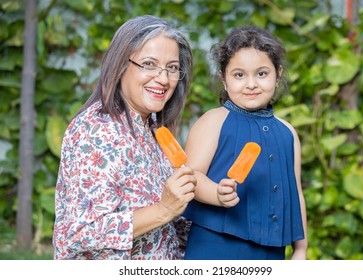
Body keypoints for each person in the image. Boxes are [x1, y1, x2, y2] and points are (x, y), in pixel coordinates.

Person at [53, 15, 196, 260]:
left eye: (172, 68)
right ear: (120, 65)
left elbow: (170, 226)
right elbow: (78, 233)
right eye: (149, 64)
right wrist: (163, 209)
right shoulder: (96, 131)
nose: (163, 79)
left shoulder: (152, 128)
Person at [183, 26, 307, 260]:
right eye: (239, 75)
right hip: (216, 245)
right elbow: (191, 176)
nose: (251, 84)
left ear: (277, 74)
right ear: (224, 77)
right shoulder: (214, 120)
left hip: (271, 250)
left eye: (262, 74)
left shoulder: (288, 133)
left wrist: (300, 248)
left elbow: (296, 194)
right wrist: (216, 193)